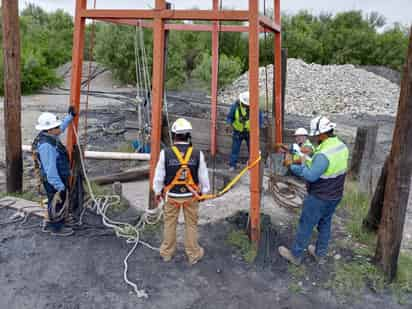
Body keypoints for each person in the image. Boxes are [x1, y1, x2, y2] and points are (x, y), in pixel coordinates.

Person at [278, 116, 349, 265]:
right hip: (335, 195)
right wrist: (300, 159)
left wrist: (292, 166)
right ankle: (319, 253)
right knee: (325, 223)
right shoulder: (340, 146)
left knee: (306, 224)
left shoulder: (324, 154)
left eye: (316, 134)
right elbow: (319, 164)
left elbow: (311, 175)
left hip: (319, 197)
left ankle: (295, 256)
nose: (315, 137)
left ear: (322, 133)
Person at [153, 118, 210, 265]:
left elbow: (159, 176)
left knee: (169, 224)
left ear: (174, 136)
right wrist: (204, 191)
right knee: (191, 225)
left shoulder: (165, 153)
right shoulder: (198, 154)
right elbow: (203, 176)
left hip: (172, 196)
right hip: (191, 196)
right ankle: (193, 254)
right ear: (188, 136)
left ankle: (166, 253)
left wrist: (157, 192)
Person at [33, 106, 76, 236]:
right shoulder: (47, 146)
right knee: (56, 201)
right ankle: (56, 228)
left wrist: (69, 117)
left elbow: (61, 128)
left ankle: (56, 222)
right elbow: (50, 169)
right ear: (50, 130)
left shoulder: (48, 136)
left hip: (57, 177)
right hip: (54, 180)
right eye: (56, 127)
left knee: (57, 201)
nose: (59, 128)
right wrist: (59, 186)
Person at [226, 91, 263, 172]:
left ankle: (252, 166)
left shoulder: (256, 109)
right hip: (237, 132)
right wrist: (228, 124)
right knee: (235, 150)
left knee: (252, 150)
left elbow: (259, 121)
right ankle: (232, 165)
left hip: (250, 133)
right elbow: (229, 117)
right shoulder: (235, 107)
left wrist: (257, 131)